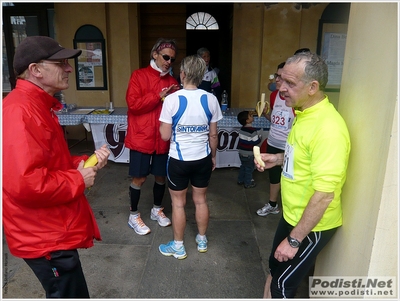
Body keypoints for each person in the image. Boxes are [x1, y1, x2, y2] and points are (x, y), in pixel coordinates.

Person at [2, 35, 111, 298]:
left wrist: (81, 163)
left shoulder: (37, 106)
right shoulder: (20, 111)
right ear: (35, 70)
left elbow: (48, 162)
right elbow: (25, 183)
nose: (69, 68)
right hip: (43, 236)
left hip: (50, 230)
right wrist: (77, 180)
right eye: (61, 63)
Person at [254, 52, 351, 298]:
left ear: (312, 87)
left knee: (282, 287)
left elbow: (325, 194)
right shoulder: (303, 112)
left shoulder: (328, 128)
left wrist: (295, 240)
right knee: (274, 270)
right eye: (280, 79)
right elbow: (303, 157)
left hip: (312, 226)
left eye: (290, 83)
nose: (281, 88)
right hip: (291, 215)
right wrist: (276, 159)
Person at [158, 55, 223, 259]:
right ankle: (202, 239)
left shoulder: (171, 99)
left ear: (183, 74)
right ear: (202, 75)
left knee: (178, 203)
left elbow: (165, 135)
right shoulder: (211, 99)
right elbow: (213, 134)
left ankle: (178, 246)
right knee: (201, 200)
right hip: (202, 157)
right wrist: (213, 157)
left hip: (178, 159)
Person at [125, 38, 179, 235]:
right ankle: (133, 215)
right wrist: (159, 95)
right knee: (139, 178)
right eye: (166, 57)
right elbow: (134, 105)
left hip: (162, 139)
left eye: (172, 59)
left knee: (161, 177)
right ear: (154, 54)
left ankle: (157, 210)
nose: (169, 62)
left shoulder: (173, 82)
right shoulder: (138, 76)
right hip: (141, 137)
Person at [256, 62, 295, 216]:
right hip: (273, 141)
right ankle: (273, 204)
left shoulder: (294, 98)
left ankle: (290, 209)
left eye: (281, 77)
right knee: (273, 177)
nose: (277, 80)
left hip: (288, 145)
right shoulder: (273, 96)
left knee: (289, 178)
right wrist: (265, 113)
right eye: (277, 75)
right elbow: (274, 119)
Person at [236, 110, 262, 188]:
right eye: (250, 116)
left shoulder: (241, 129)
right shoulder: (252, 131)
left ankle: (240, 180)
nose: (252, 116)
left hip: (241, 152)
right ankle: (248, 183)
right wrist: (260, 138)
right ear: (247, 120)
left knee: (243, 166)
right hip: (249, 154)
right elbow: (255, 141)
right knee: (249, 169)